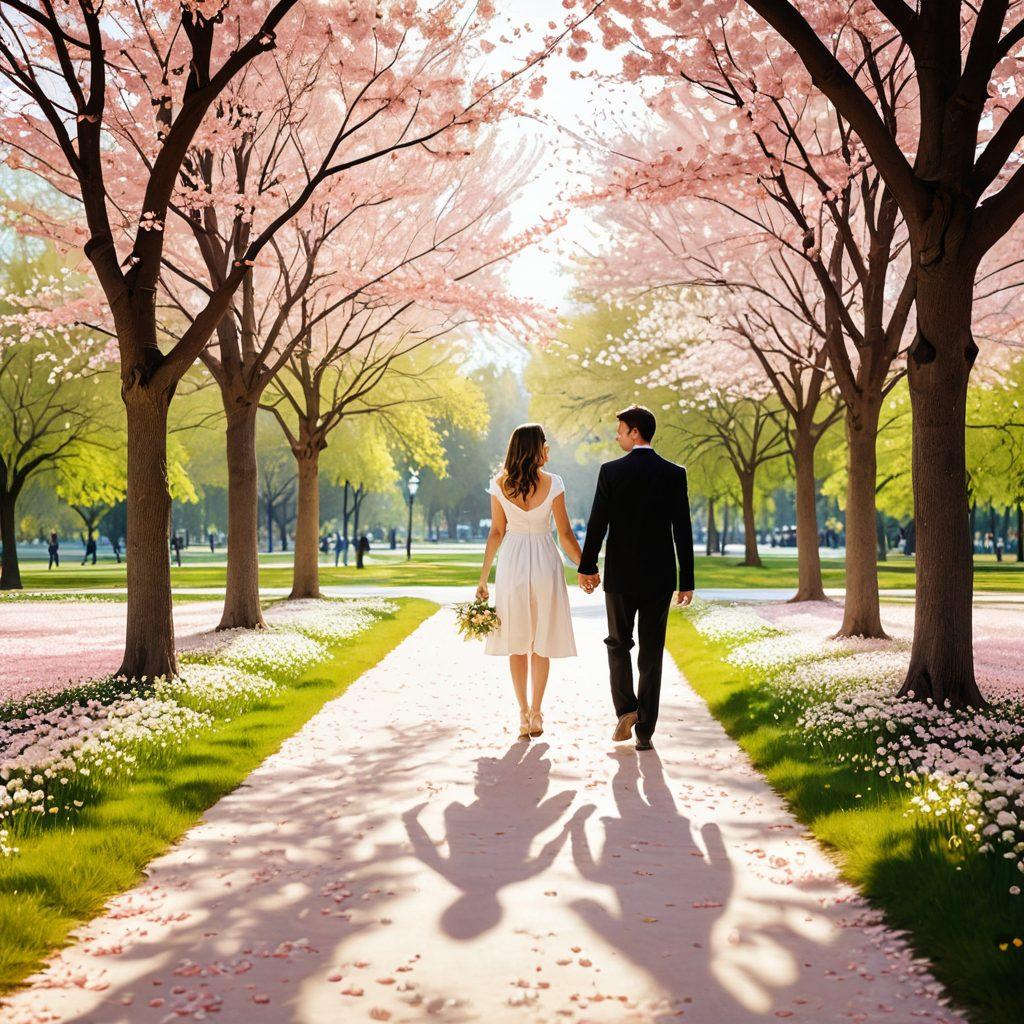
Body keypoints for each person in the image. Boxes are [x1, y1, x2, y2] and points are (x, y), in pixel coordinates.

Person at [577, 405, 694, 752]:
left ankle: (626, 709)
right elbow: (682, 530)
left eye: (620, 430)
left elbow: (598, 523)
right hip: (659, 577)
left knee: (618, 643)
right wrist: (685, 579)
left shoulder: (611, 472)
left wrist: (587, 567)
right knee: (652, 651)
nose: (617, 436)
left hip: (621, 576)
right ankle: (645, 731)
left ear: (635, 433)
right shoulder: (674, 473)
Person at [477, 423, 581, 741]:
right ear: (534, 448)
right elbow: (564, 533)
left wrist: (483, 579)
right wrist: (586, 566)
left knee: (517, 641)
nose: (548, 449)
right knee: (541, 641)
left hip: (513, 560)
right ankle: (537, 711)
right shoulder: (554, 483)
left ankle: (522, 713)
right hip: (545, 559)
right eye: (545, 444)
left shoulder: (499, 484)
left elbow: (496, 532)